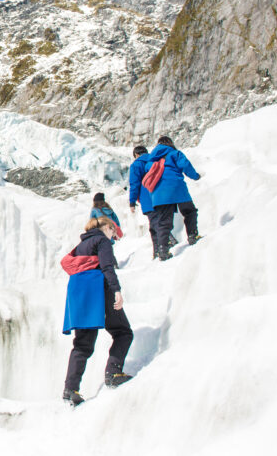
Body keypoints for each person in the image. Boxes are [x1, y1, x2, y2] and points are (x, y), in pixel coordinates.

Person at [60, 217, 134, 406]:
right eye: (113, 230)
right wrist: (116, 290)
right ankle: (113, 372)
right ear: (106, 227)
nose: (113, 235)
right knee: (123, 332)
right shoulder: (102, 240)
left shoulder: (80, 246)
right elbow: (107, 266)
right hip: (98, 289)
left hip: (78, 291)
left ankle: (71, 389)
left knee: (82, 344)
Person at [145, 135, 202, 261]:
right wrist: (196, 176)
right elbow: (185, 165)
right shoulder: (174, 153)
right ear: (170, 143)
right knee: (189, 211)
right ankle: (192, 236)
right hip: (176, 187)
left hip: (158, 194)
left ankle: (163, 250)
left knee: (163, 221)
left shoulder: (150, 161)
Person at [128, 145, 176, 258]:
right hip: (163, 195)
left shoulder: (136, 165)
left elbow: (134, 184)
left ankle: (162, 248)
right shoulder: (156, 159)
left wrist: (132, 201)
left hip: (147, 198)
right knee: (163, 221)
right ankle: (162, 247)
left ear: (136, 155)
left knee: (154, 224)